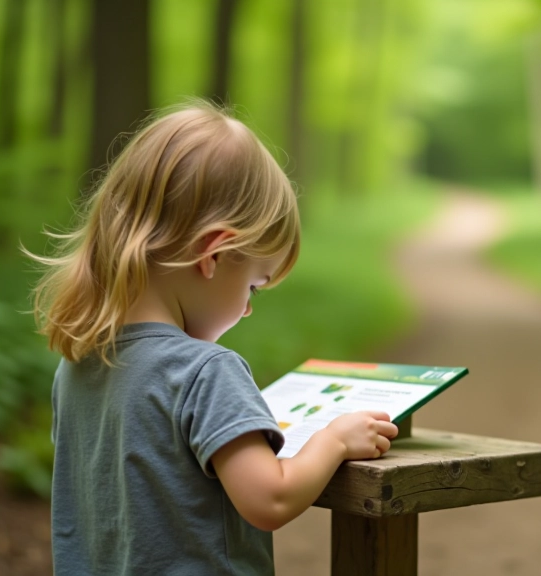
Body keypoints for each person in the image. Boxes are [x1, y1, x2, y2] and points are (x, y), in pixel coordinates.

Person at [28, 102, 398, 575]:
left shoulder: (78, 364)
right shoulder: (205, 371)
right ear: (213, 254)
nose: (247, 308)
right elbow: (271, 497)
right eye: (254, 286)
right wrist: (334, 440)